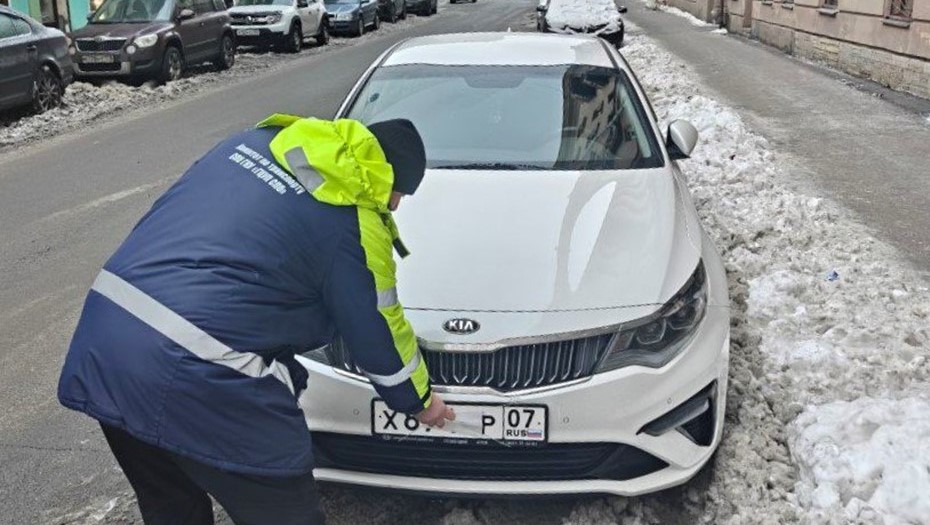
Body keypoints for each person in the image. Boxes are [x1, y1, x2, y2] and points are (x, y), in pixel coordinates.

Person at [57, 114, 455, 525]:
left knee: (172, 508)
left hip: (107, 342)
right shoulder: (352, 219)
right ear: (386, 178)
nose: (396, 205)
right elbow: (377, 330)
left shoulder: (248, 146)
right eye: (400, 194)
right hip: (200, 372)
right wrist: (419, 402)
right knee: (286, 510)